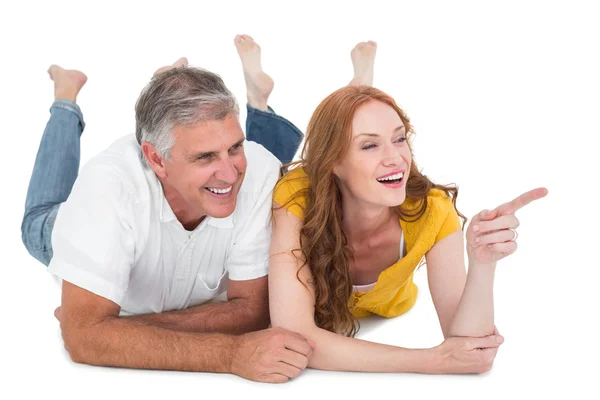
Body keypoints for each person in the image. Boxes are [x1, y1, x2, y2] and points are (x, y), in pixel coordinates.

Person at [20, 35, 315, 383]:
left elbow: (251, 312)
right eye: (205, 156)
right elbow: (83, 341)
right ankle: (66, 98)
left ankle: (169, 86)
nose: (230, 173)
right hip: (70, 225)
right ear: (156, 160)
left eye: (235, 147)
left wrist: (114, 330)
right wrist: (232, 354)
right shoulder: (108, 190)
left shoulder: (260, 171)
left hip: (131, 211)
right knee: (37, 219)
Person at [269, 41, 548, 374]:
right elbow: (293, 336)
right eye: (370, 145)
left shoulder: (433, 211)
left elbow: (471, 350)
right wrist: (432, 360)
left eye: (400, 139)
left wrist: (482, 263)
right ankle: (357, 84)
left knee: (356, 115)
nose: (396, 159)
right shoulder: (297, 194)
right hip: (315, 178)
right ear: (333, 163)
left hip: (389, 307)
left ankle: (361, 88)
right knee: (263, 154)